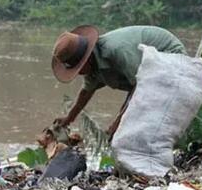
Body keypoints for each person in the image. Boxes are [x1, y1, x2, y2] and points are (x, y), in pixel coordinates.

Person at [51, 25, 187, 139]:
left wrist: (116, 124)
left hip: (171, 59)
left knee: (147, 119)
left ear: (87, 58)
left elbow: (140, 87)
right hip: (145, 77)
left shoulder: (116, 51)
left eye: (79, 68)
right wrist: (68, 119)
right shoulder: (93, 66)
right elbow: (86, 92)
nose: (79, 73)